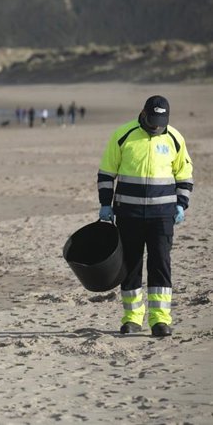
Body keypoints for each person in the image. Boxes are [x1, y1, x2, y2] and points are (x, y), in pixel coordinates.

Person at [97, 95, 193, 337]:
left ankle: (160, 319)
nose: (156, 125)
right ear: (143, 113)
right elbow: (106, 173)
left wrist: (181, 205)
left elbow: (184, 174)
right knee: (131, 265)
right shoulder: (123, 135)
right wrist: (105, 205)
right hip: (128, 214)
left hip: (163, 215)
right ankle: (132, 318)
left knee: (160, 264)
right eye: (152, 120)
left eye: (161, 121)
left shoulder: (174, 138)